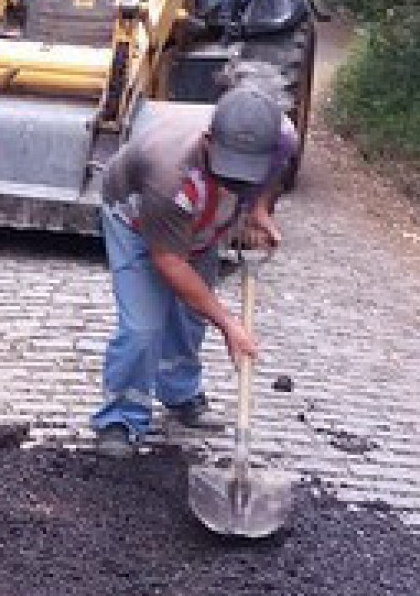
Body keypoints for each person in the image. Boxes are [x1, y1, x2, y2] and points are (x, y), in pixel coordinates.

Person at [91, 85, 299, 457]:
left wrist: (260, 209)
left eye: (244, 176)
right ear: (207, 142)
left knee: (190, 317)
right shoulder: (166, 170)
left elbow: (274, 175)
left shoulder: (281, 138)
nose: (237, 182)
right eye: (230, 172)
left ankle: (180, 392)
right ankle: (120, 417)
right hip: (137, 218)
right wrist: (230, 324)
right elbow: (170, 263)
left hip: (204, 221)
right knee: (143, 326)